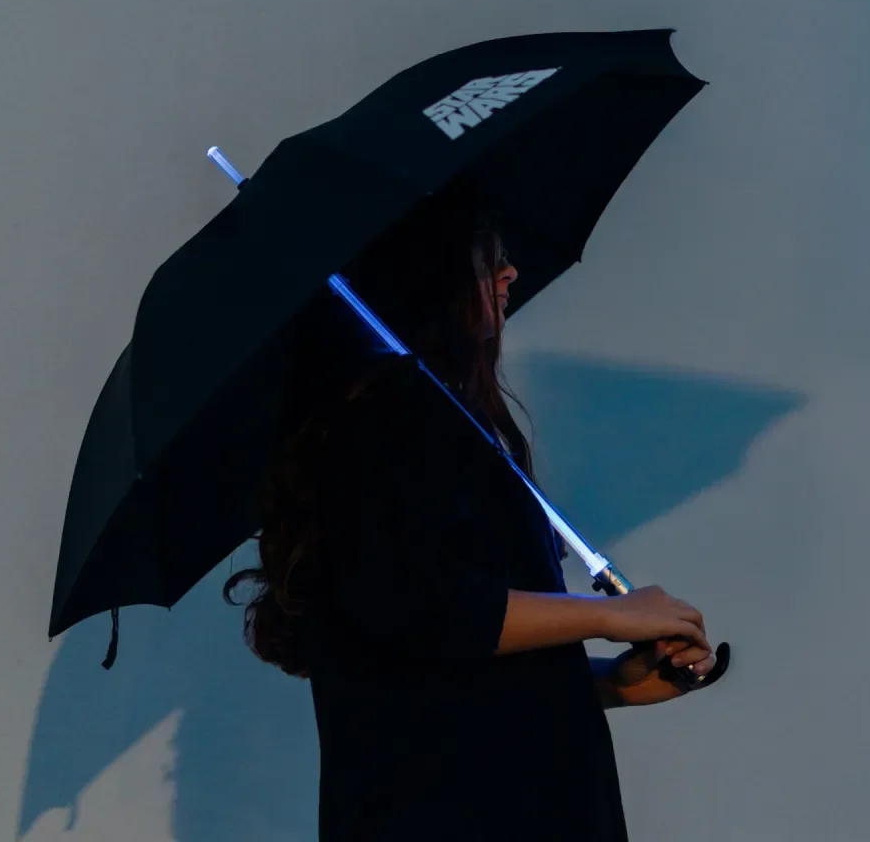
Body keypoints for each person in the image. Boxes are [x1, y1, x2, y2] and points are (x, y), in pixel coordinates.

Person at [226, 180, 717, 840]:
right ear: (429, 275)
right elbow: (420, 607)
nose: (510, 272)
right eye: (487, 258)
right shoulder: (378, 425)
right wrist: (608, 614)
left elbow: (453, 656)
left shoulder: (442, 419)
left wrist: (611, 683)